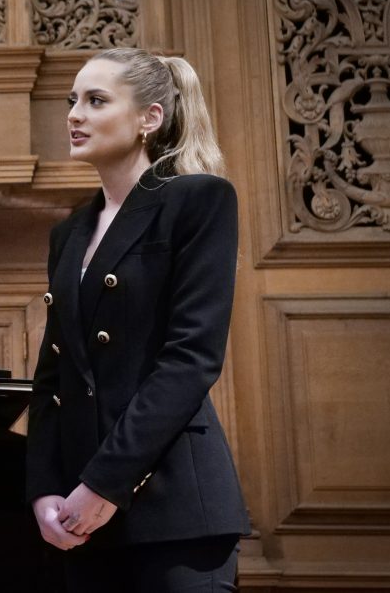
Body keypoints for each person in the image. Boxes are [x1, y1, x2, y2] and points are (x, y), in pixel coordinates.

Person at [26, 47, 250, 590]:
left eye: (96, 101)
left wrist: (103, 485)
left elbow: (191, 359)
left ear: (150, 118)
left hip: (173, 507)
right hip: (79, 516)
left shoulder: (198, 199)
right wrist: (44, 489)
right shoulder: (70, 233)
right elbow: (52, 377)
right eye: (72, 101)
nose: (74, 115)